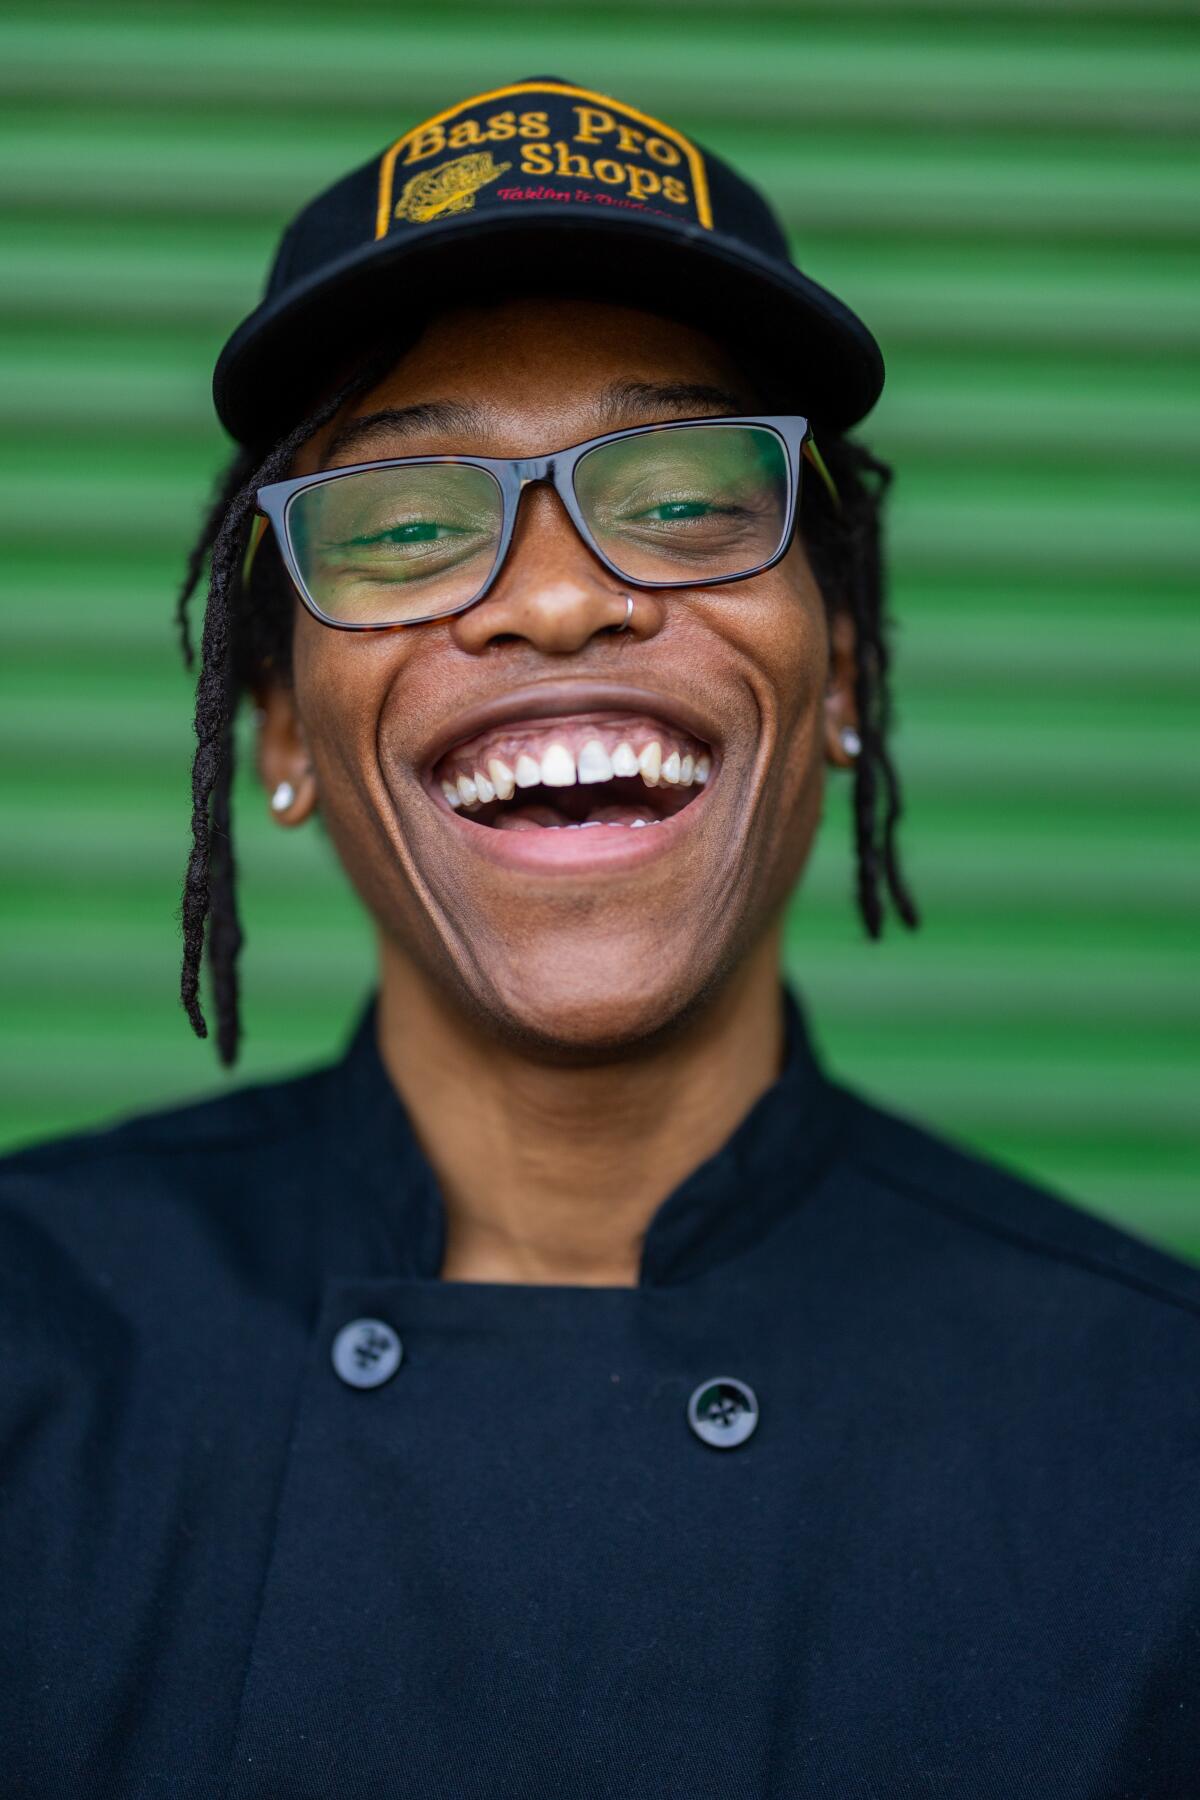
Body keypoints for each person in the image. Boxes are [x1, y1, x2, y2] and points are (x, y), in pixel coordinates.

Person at [2, 77, 1196, 1799]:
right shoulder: (33, 1359)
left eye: (694, 498)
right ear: (277, 733)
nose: (560, 594)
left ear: (846, 674)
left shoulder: (1157, 1444)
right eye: (408, 523)